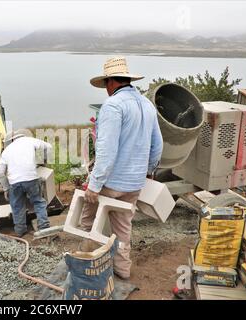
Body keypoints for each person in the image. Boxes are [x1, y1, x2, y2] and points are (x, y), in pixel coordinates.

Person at [80, 57, 163, 280]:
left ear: (110, 83)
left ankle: (86, 267)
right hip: (134, 183)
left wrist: (94, 186)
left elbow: (106, 152)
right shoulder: (147, 105)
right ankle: (123, 270)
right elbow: (157, 146)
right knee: (123, 228)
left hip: (111, 183)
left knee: (88, 221)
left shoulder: (113, 106)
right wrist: (147, 171)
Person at [0, 130, 52, 237]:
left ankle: (20, 232)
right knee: (38, 202)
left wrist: (6, 189)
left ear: (11, 140)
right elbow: (48, 147)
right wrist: (44, 160)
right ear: (23, 136)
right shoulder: (30, 141)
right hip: (31, 179)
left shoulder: (6, 150)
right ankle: (44, 228)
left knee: (17, 206)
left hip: (14, 183)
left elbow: (0, 174)